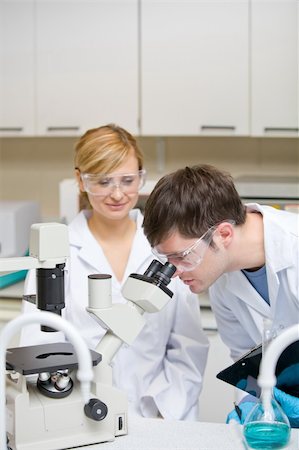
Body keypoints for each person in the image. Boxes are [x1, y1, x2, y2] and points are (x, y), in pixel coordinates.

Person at [20, 124, 209, 420]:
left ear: (141, 178)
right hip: (79, 412)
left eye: (128, 180)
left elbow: (187, 345)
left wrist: (163, 410)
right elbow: (39, 343)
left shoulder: (167, 247)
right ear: (80, 181)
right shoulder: (55, 254)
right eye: (104, 181)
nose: (118, 194)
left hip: (158, 416)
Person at [142, 164, 299, 427]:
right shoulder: (221, 280)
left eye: (181, 256)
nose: (175, 272)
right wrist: (252, 406)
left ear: (224, 233)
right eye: (166, 259)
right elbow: (247, 362)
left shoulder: (294, 248)